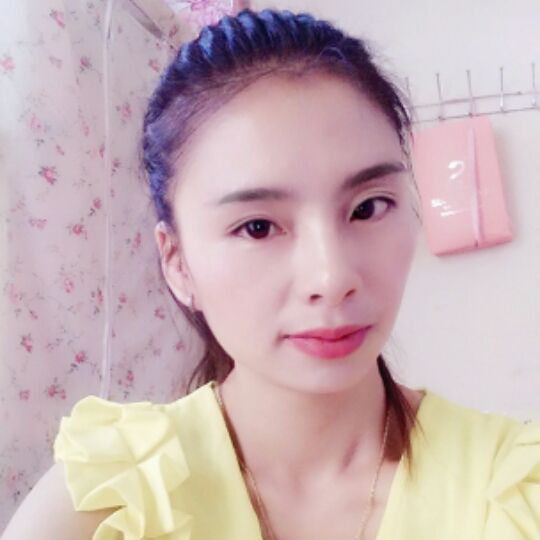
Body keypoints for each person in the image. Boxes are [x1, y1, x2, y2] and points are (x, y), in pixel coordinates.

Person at [3, 7, 540, 540]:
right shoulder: (100, 504)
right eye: (257, 227)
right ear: (178, 262)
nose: (331, 277)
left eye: (367, 208)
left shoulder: (512, 490)